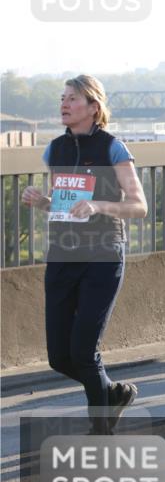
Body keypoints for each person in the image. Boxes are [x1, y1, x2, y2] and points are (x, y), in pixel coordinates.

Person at [20, 75, 147, 434]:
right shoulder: (54, 149)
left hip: (103, 256)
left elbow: (139, 206)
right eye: (62, 98)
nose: (64, 104)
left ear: (93, 106)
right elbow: (64, 206)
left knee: (83, 351)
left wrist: (97, 205)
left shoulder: (113, 148)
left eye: (72, 98)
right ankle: (114, 392)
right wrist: (42, 201)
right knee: (59, 357)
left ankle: (101, 428)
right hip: (62, 256)